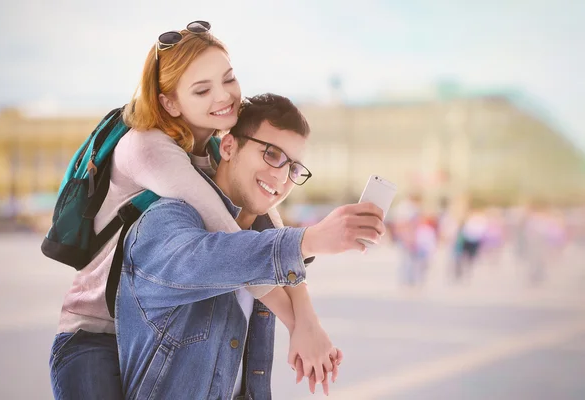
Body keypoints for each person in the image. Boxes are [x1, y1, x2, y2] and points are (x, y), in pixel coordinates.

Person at [49, 21, 367, 399]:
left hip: (142, 326)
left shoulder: (209, 149)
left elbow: (270, 229)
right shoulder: (150, 148)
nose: (224, 97)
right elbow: (227, 245)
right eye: (202, 90)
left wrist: (308, 318)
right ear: (169, 102)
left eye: (228, 79)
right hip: (94, 332)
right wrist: (297, 321)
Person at [116, 93, 386, 399]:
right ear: (229, 146)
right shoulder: (164, 222)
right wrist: (312, 239)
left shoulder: (262, 237)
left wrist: (307, 323)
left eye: (294, 168)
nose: (281, 177)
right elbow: (208, 259)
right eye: (271, 154)